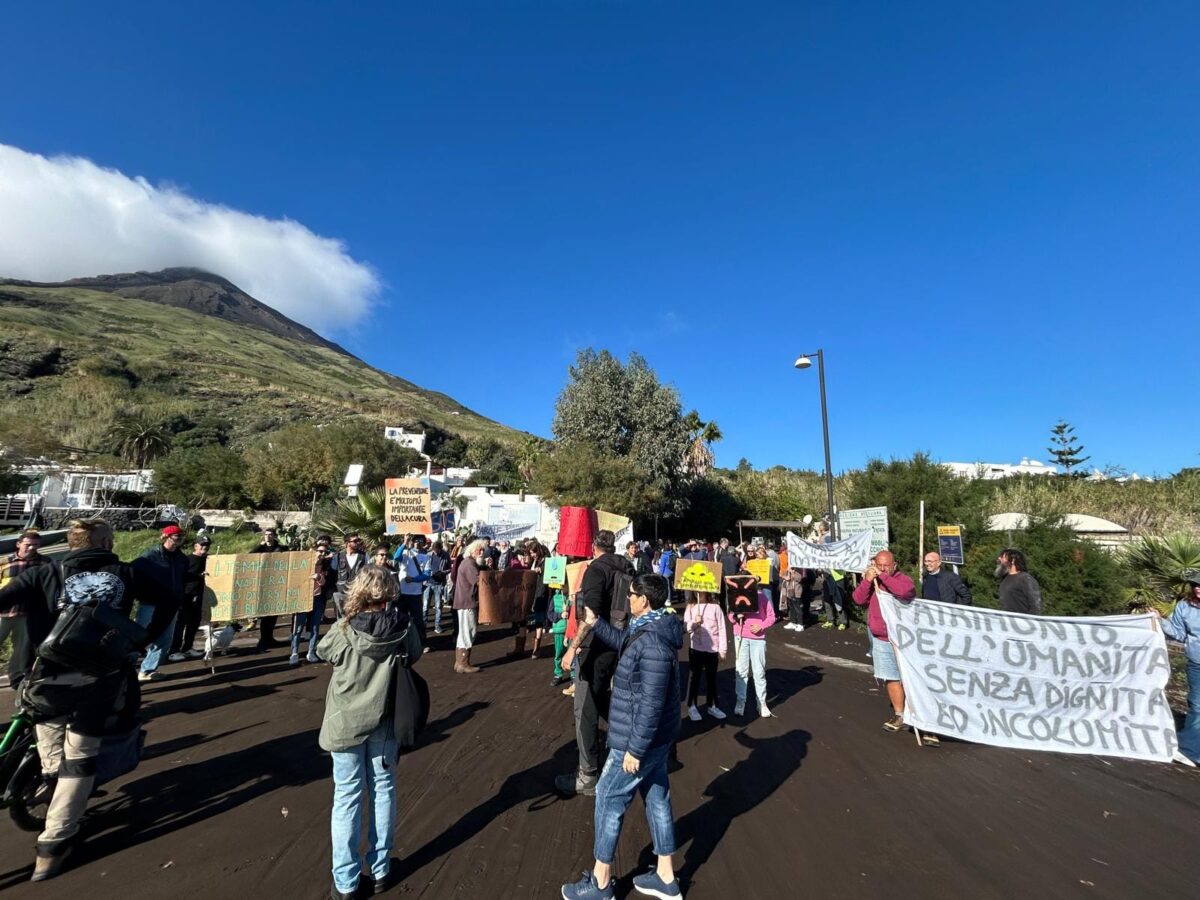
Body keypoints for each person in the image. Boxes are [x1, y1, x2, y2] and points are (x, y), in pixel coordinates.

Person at [0, 518, 164, 881]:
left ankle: (46, 787)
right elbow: (169, 599)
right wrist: (140, 637)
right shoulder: (126, 572)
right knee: (80, 759)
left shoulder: (44, 572)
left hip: (45, 677)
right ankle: (53, 844)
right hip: (99, 678)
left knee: (53, 752)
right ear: (104, 540)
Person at [561, 574, 683, 900]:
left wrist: (635, 749)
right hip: (655, 738)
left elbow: (652, 703)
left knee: (608, 797)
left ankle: (600, 883)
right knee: (657, 798)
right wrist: (595, 623)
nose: (627, 599)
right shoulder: (649, 628)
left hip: (637, 737)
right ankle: (666, 876)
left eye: (631, 595)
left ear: (645, 600)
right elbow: (626, 644)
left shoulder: (654, 642)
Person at [317, 565, 424, 900]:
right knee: (383, 790)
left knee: (347, 796)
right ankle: (380, 869)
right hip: (385, 718)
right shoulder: (402, 626)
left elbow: (324, 652)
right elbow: (417, 654)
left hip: (345, 719)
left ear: (359, 591)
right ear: (389, 592)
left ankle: (346, 882)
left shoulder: (344, 628)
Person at [556, 529, 636, 798]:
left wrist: (572, 649)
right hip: (620, 641)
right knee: (604, 699)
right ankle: (629, 743)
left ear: (593, 546)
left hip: (595, 646)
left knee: (585, 708)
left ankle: (587, 774)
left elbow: (590, 615)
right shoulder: (628, 566)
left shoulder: (595, 570)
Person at [851, 551, 930, 741]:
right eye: (879, 565)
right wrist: (868, 581)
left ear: (894, 565)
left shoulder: (902, 579)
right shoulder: (873, 582)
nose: (882, 568)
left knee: (911, 678)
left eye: (886, 565)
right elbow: (858, 599)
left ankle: (923, 718)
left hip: (903, 639)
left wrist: (884, 577)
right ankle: (900, 715)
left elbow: (905, 592)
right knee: (891, 677)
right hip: (881, 638)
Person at [133, 525, 188, 681]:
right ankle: (126, 670)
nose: (179, 540)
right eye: (177, 537)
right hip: (150, 603)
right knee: (137, 637)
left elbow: (183, 578)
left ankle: (147, 670)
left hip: (171, 605)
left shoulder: (181, 558)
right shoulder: (149, 556)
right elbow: (132, 573)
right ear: (165, 537)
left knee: (164, 640)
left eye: (181, 537)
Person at [1155, 573, 1200, 764]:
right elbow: (1179, 634)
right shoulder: (1185, 607)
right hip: (1196, 662)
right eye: (1195, 584)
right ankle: (1189, 750)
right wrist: (1160, 620)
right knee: (1197, 705)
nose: (1197, 587)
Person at [0, 529, 49, 688]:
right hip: (3, 612)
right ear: (18, 544)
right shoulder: (4, 562)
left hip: (27, 613)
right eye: (28, 545)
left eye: (35, 545)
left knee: (20, 649)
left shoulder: (45, 563)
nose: (31, 548)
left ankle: (15, 678)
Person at [728, 576, 776, 718]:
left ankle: (761, 702)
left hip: (758, 639)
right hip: (741, 636)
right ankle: (740, 701)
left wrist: (761, 625)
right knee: (741, 671)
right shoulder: (735, 597)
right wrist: (737, 616)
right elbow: (730, 616)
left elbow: (771, 616)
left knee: (759, 671)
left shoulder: (761, 598)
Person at [291, 536, 336, 666]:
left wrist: (319, 578)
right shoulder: (303, 566)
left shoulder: (326, 567)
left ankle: (311, 651)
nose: (322, 554)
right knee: (298, 627)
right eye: (320, 551)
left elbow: (324, 583)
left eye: (324, 552)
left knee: (315, 627)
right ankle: (294, 652)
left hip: (318, 599)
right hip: (303, 599)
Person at [683, 590, 727, 720]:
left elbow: (721, 628)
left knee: (711, 678)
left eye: (701, 590)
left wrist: (722, 650)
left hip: (712, 649)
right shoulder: (691, 607)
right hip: (695, 648)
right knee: (694, 678)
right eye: (696, 590)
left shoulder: (716, 607)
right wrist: (694, 623)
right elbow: (686, 627)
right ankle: (692, 706)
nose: (698, 592)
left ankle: (712, 706)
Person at [169, 536, 210, 661]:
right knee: (180, 624)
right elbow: (181, 577)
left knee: (194, 624)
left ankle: (187, 648)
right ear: (195, 546)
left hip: (201, 597)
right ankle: (173, 651)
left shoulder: (209, 559)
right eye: (202, 544)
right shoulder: (187, 560)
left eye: (207, 545)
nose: (205, 547)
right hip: (186, 596)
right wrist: (198, 576)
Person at [451, 538, 486, 674]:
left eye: (483, 550)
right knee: (468, 631)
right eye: (479, 550)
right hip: (467, 602)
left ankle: (459, 662)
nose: (481, 552)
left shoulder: (468, 563)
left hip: (464, 601)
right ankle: (463, 663)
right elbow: (479, 581)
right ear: (472, 551)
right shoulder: (470, 564)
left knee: (464, 632)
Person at [249, 526, 287, 650]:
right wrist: (260, 546)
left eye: (270, 534)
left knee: (273, 614)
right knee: (264, 614)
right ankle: (263, 639)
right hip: (263, 585)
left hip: (276, 584)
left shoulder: (280, 548)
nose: (268, 536)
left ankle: (269, 638)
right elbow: (249, 557)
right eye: (266, 534)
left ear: (274, 536)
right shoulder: (261, 548)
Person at [397, 536, 429, 652]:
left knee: (418, 620)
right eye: (415, 541)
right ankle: (401, 643)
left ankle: (422, 643)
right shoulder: (405, 552)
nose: (417, 543)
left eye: (420, 542)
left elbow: (427, 574)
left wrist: (414, 579)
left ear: (424, 544)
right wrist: (404, 543)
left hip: (416, 593)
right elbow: (396, 557)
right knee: (401, 619)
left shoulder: (426, 557)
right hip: (403, 593)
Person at [996, 548, 1042, 614]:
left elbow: (1035, 606)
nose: (999, 559)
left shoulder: (1025, 579)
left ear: (1013, 560)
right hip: (1008, 621)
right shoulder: (1004, 580)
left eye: (1003, 557)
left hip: (1023, 622)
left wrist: (1030, 622)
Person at [333, 533, 368, 618]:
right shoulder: (338, 556)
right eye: (355, 541)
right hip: (341, 593)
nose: (358, 543)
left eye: (358, 540)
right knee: (341, 619)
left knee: (358, 617)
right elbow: (332, 574)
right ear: (347, 543)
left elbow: (369, 573)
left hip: (358, 593)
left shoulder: (364, 556)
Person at [423, 540, 450, 636]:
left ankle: (437, 626)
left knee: (438, 606)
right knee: (425, 606)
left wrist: (441, 572)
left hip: (439, 583)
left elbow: (449, 568)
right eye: (434, 550)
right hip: (428, 583)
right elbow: (423, 567)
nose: (435, 552)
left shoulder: (446, 555)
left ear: (440, 549)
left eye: (437, 550)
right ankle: (424, 626)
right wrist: (428, 573)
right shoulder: (429, 555)